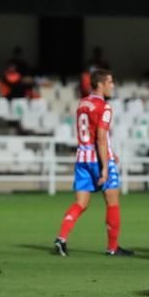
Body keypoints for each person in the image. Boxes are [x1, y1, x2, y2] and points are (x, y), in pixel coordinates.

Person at [54, 69, 133, 257]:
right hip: (97, 158)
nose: (112, 86)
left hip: (82, 158)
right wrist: (106, 166)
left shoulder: (83, 103)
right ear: (100, 84)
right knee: (112, 201)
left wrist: (111, 152)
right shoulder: (104, 107)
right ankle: (113, 248)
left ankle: (61, 237)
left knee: (81, 202)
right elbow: (101, 138)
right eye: (110, 82)